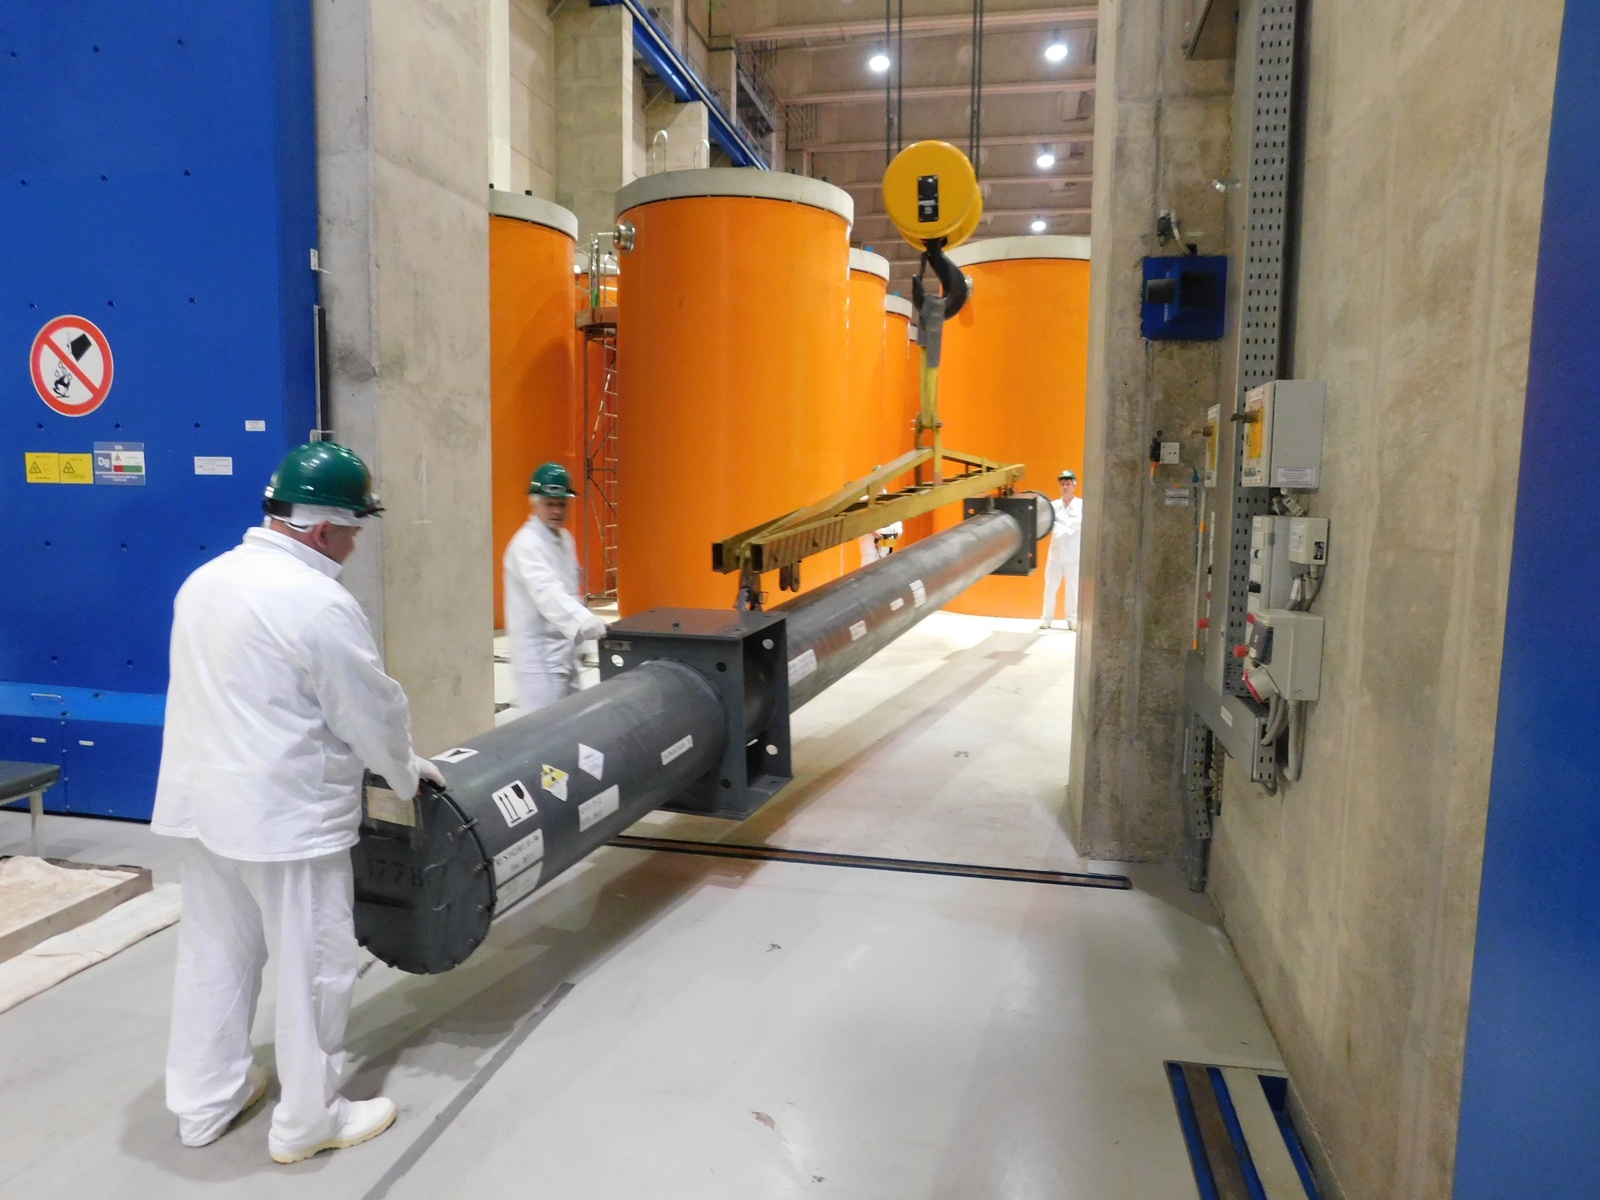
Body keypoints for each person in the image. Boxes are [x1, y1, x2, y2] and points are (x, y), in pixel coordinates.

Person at [151, 441, 444, 1164]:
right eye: (353, 531)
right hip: (284, 821)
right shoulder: (317, 602)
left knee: (215, 955)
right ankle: (309, 1120)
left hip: (203, 807)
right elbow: (368, 710)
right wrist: (405, 775)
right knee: (315, 966)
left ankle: (206, 1102)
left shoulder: (205, 581)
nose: (355, 545)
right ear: (323, 529)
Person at [504, 462, 608, 712]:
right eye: (549, 504)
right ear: (534, 502)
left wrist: (582, 644)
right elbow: (546, 590)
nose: (556, 510)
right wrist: (583, 621)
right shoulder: (526, 544)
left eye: (561, 504)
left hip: (566, 652)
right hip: (538, 659)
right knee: (544, 728)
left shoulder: (565, 539)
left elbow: (571, 591)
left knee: (572, 722)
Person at [1041, 469, 1083, 631]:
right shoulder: (1053, 506)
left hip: (1073, 554)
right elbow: (1048, 524)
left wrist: (1061, 526)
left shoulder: (1081, 505)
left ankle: (1072, 619)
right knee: (1050, 586)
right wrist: (1064, 527)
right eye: (1063, 484)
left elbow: (1080, 523)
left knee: (1073, 587)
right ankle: (1046, 618)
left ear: (1074, 486)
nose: (1065, 487)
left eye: (1068, 484)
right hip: (1055, 554)